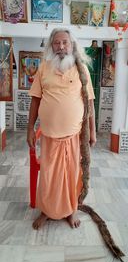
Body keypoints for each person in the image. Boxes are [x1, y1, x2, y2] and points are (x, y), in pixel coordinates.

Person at [27, 28, 96, 230]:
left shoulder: (82, 70)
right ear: (51, 46)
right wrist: (30, 129)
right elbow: (35, 100)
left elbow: (90, 102)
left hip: (74, 137)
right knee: (49, 177)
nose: (61, 47)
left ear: (72, 45)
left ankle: (70, 210)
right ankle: (47, 211)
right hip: (49, 136)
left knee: (72, 175)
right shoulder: (44, 68)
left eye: (65, 42)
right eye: (57, 43)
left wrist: (92, 132)